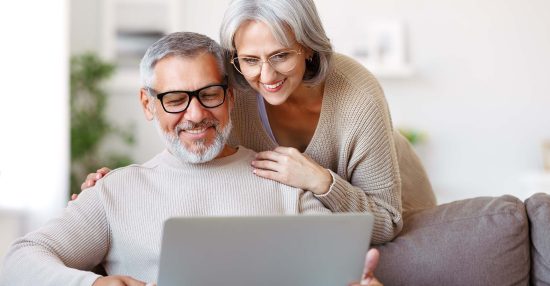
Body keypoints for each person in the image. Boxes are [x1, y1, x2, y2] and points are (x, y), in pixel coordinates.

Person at [2, 32, 388, 286]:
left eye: (208, 94)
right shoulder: (114, 191)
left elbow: (336, 272)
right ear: (147, 104)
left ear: (231, 97)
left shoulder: (282, 179)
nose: (194, 114)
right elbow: (18, 262)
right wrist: (94, 283)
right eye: (174, 99)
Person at [81, 0, 436, 244]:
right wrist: (119, 186)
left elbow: (388, 224)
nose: (265, 76)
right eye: (249, 59)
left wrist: (321, 181)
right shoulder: (232, 88)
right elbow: (192, 141)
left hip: (395, 218)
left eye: (280, 55)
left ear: (309, 47)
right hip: (311, 227)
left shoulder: (358, 93)